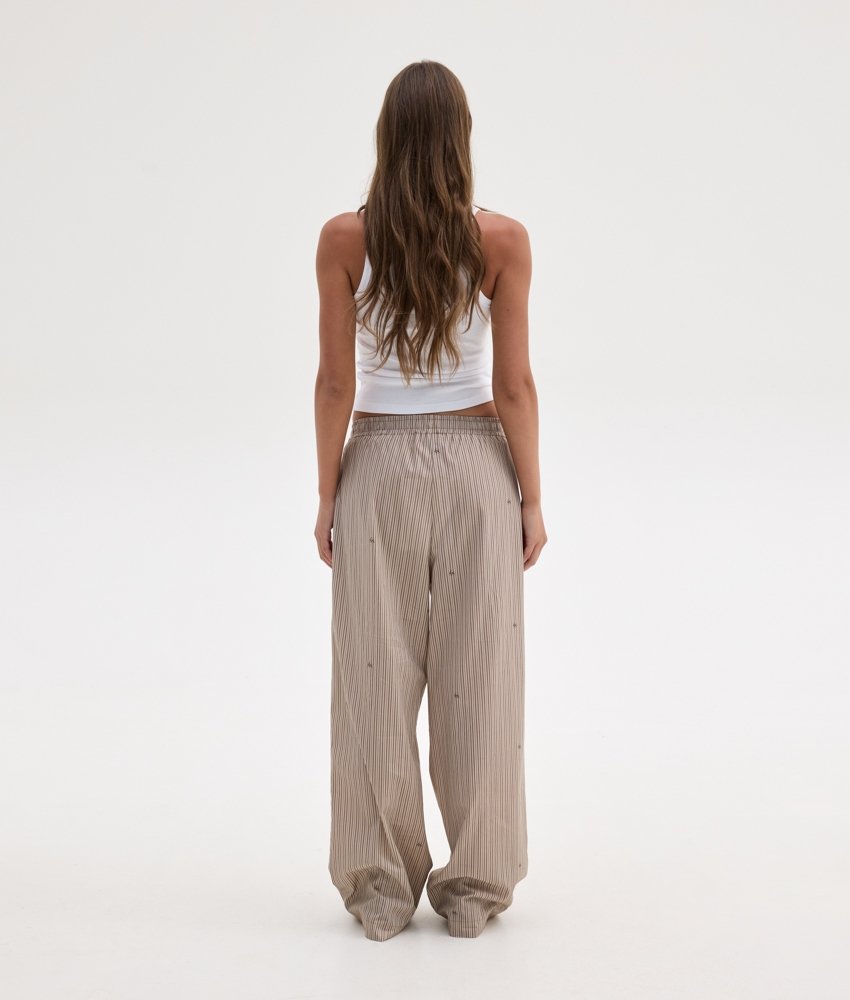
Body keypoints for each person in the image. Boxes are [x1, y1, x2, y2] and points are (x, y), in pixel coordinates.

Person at [313, 60, 547, 942]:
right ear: (459, 139)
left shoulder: (344, 239)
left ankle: (379, 891)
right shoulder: (502, 241)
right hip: (479, 467)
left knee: (372, 678)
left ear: (387, 137)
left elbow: (336, 383)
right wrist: (531, 498)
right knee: (481, 678)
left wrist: (327, 493)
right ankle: (476, 889)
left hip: (377, 466)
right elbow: (514, 385)